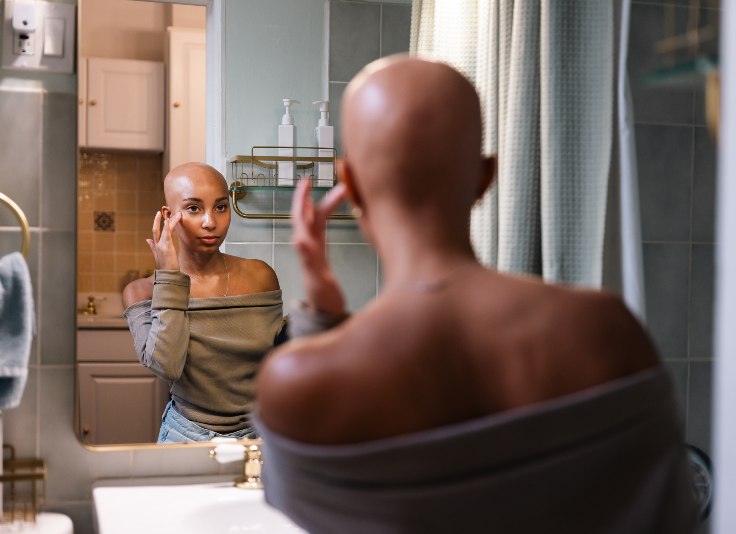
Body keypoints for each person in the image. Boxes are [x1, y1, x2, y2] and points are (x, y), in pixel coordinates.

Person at [253, 56, 700, 533]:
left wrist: (323, 321)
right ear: (486, 176)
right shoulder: (605, 330)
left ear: (352, 185)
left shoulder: (299, 382)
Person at [122, 162, 286, 443]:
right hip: (184, 435)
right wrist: (170, 279)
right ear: (168, 215)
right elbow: (167, 366)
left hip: (259, 434)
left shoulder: (261, 276)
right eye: (194, 208)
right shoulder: (141, 292)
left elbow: (275, 361)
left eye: (220, 207)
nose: (210, 222)